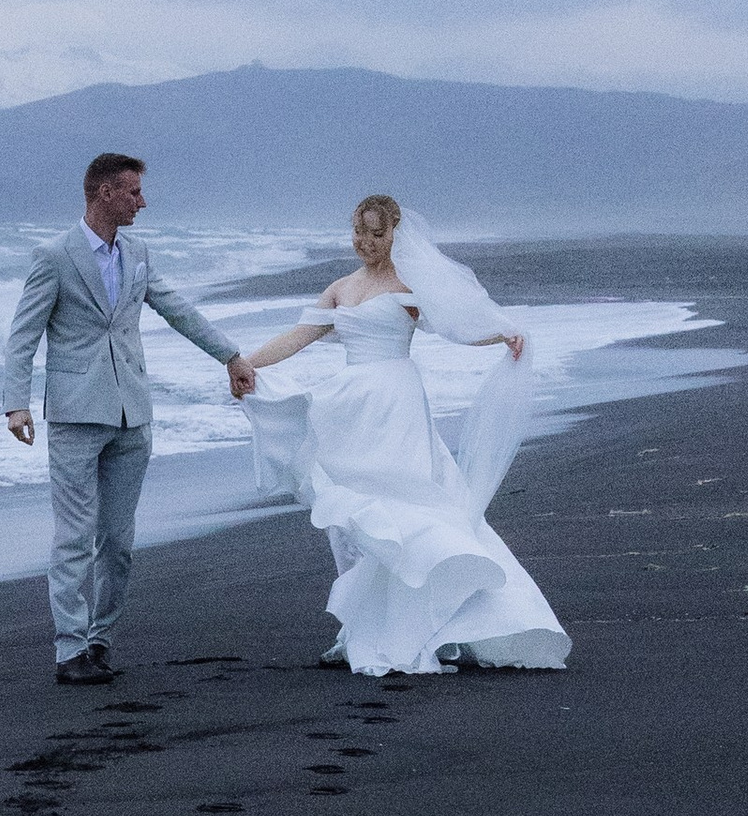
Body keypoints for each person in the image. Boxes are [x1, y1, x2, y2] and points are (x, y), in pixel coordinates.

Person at [235, 195, 568, 677]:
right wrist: (245, 364)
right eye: (358, 232)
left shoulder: (409, 283)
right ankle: (358, 629)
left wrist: (501, 334)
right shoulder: (340, 288)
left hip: (396, 405)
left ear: (395, 233)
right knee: (351, 518)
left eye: (376, 233)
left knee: (409, 510)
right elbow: (297, 336)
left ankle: (425, 625)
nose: (365, 242)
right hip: (349, 406)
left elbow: (457, 323)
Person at [3, 152, 253, 683]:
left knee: (117, 542)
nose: (143, 201)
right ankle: (69, 650)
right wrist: (16, 402)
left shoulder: (138, 251)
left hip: (132, 414)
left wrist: (231, 356)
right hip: (74, 414)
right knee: (74, 537)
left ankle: (100, 640)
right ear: (103, 194)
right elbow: (23, 335)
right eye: (134, 192)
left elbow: (176, 307)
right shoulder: (54, 255)